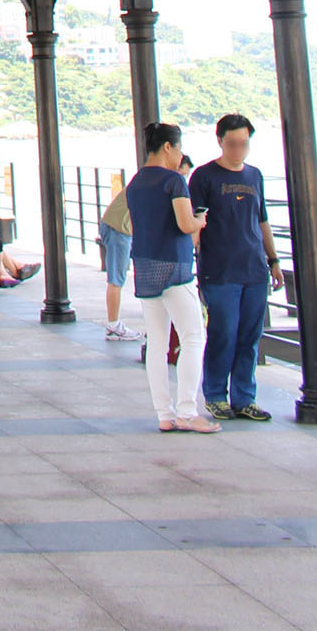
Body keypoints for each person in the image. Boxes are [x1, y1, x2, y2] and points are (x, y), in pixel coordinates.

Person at [188, 113, 284, 422]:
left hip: (254, 269)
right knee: (223, 332)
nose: (238, 150)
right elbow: (194, 225)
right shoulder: (203, 177)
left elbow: (262, 220)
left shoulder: (254, 176)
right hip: (219, 270)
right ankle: (215, 394)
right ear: (220, 141)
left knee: (249, 336)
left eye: (244, 144)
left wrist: (274, 260)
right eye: (232, 144)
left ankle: (245, 397)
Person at [126, 121, 215, 434]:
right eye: (178, 148)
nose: (180, 155)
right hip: (175, 269)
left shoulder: (135, 183)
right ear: (168, 147)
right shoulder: (174, 182)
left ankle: (164, 413)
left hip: (146, 269)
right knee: (194, 337)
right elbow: (184, 223)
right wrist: (200, 221)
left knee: (158, 343)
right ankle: (188, 412)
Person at [98, 172, 137, 341]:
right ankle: (113, 325)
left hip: (117, 227)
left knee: (117, 277)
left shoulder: (146, 178)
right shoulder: (164, 183)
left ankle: (113, 325)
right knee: (116, 278)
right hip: (119, 229)